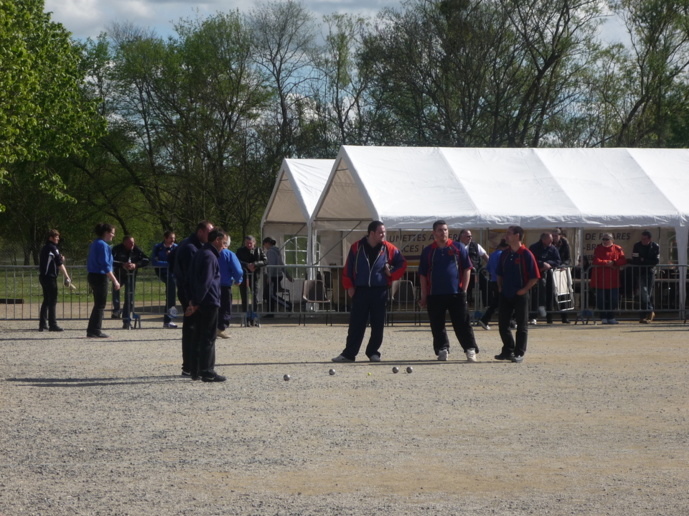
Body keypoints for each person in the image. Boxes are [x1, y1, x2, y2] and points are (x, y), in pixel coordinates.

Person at [332, 221, 407, 363]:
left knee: (378, 324)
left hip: (380, 291)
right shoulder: (357, 247)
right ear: (371, 233)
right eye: (380, 232)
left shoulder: (388, 248)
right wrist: (349, 286)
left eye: (384, 232)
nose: (383, 235)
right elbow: (348, 268)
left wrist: (391, 273)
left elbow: (402, 263)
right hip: (361, 290)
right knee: (356, 324)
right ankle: (349, 354)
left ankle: (373, 352)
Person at [418, 220, 479, 362]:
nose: (443, 232)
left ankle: (470, 349)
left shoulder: (458, 247)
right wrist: (424, 295)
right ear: (434, 233)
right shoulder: (428, 251)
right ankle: (442, 349)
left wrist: (464, 290)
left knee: (463, 323)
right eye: (440, 230)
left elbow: (467, 269)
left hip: (456, 293)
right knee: (437, 324)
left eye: (445, 229)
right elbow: (422, 274)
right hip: (435, 294)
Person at [173, 220, 214, 377]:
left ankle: (191, 366)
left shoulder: (188, 244)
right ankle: (190, 366)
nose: (211, 236)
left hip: (187, 291)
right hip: (189, 293)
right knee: (192, 330)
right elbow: (192, 276)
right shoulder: (191, 248)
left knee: (192, 329)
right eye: (209, 232)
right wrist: (193, 300)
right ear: (200, 232)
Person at [495, 225, 541, 363]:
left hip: (520, 294)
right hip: (505, 293)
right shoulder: (505, 253)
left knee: (522, 324)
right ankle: (508, 350)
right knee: (503, 323)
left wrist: (524, 290)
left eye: (509, 233)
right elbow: (499, 273)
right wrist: (499, 286)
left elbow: (535, 276)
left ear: (517, 236)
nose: (506, 236)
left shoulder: (526, 254)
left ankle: (519, 352)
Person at [186, 228, 226, 382]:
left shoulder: (200, 253)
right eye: (222, 242)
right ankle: (207, 370)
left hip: (199, 300)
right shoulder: (210, 256)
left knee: (198, 336)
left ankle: (195, 370)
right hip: (208, 302)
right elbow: (206, 282)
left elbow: (190, 278)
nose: (223, 246)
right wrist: (196, 302)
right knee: (209, 337)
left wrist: (192, 300)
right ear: (216, 240)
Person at [86, 223, 120, 338]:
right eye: (112, 233)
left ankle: (92, 329)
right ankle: (95, 329)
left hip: (92, 275)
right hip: (99, 276)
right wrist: (115, 280)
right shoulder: (103, 245)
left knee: (98, 304)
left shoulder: (95, 243)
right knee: (100, 304)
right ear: (106, 233)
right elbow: (105, 265)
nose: (113, 236)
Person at [38, 229, 74, 332]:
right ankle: (52, 324)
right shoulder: (53, 248)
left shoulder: (45, 248)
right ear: (50, 238)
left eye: (58, 236)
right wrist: (67, 276)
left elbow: (53, 261)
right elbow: (59, 264)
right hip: (50, 277)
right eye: (55, 237)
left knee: (46, 300)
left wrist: (59, 259)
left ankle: (42, 324)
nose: (57, 238)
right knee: (52, 301)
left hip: (43, 276)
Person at [111, 235, 150, 329]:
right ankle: (116, 310)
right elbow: (110, 260)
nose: (132, 244)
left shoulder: (136, 249)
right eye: (130, 243)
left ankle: (126, 320)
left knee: (129, 298)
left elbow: (146, 260)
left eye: (133, 242)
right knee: (115, 292)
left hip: (131, 276)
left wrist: (135, 265)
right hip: (119, 275)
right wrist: (122, 265)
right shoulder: (117, 249)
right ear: (124, 243)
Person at [591, 233, 627, 324]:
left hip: (614, 280)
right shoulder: (598, 248)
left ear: (612, 240)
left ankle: (611, 316)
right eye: (603, 239)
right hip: (601, 280)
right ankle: (603, 316)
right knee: (601, 300)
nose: (605, 241)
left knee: (614, 300)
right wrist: (607, 263)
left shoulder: (618, 248)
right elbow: (596, 260)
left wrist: (614, 262)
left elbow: (623, 260)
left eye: (607, 239)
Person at [528, 233, 562, 324]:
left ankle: (549, 317)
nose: (551, 241)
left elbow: (558, 260)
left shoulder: (553, 248)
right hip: (536, 274)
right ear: (543, 239)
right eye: (549, 239)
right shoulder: (534, 247)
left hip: (549, 274)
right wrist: (542, 264)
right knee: (534, 295)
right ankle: (533, 317)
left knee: (549, 294)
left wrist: (548, 264)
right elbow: (531, 260)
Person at [236, 235, 267, 327]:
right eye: (247, 243)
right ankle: (246, 319)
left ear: (254, 243)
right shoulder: (240, 250)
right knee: (244, 297)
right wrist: (247, 265)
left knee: (255, 298)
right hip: (244, 276)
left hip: (255, 277)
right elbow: (237, 261)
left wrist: (255, 264)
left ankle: (254, 318)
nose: (249, 245)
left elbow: (265, 261)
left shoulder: (259, 250)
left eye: (250, 243)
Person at [478, 238, 509, 331]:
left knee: (498, 302)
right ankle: (486, 319)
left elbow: (488, 267)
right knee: (501, 302)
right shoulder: (502, 255)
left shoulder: (492, 254)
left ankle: (509, 321)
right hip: (501, 281)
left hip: (493, 280)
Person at [217, 235, 243, 339]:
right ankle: (220, 329)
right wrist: (238, 280)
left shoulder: (210, 253)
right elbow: (238, 270)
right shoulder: (229, 254)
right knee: (225, 308)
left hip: (211, 285)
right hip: (225, 285)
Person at [151, 231, 178, 329]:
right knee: (171, 292)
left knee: (172, 295)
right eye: (171, 238)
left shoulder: (176, 247)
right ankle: (168, 320)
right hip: (163, 272)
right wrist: (168, 263)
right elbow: (154, 261)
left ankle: (170, 319)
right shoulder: (158, 247)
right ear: (165, 238)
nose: (172, 240)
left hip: (174, 273)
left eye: (174, 238)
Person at [632, 230, 660, 323]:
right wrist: (644, 260)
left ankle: (644, 315)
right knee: (644, 292)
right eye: (642, 239)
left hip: (650, 272)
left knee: (648, 293)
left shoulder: (655, 246)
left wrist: (644, 260)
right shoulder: (637, 245)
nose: (643, 241)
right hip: (640, 272)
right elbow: (635, 259)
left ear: (649, 239)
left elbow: (655, 261)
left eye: (645, 239)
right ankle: (650, 310)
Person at [263, 237, 293, 314]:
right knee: (270, 295)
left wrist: (269, 277)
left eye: (264, 244)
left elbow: (272, 265)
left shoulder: (270, 252)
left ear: (267, 243)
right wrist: (287, 275)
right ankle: (270, 312)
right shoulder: (277, 251)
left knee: (271, 295)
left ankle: (287, 305)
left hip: (273, 276)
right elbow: (282, 264)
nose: (264, 246)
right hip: (278, 275)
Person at [459, 229, 488, 307]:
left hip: (475, 273)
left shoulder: (475, 245)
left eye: (471, 236)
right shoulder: (456, 246)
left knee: (485, 283)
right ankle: (464, 307)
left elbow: (486, 258)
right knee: (464, 289)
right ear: (461, 237)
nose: (470, 238)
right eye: (468, 236)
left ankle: (486, 306)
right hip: (461, 274)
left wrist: (487, 267)